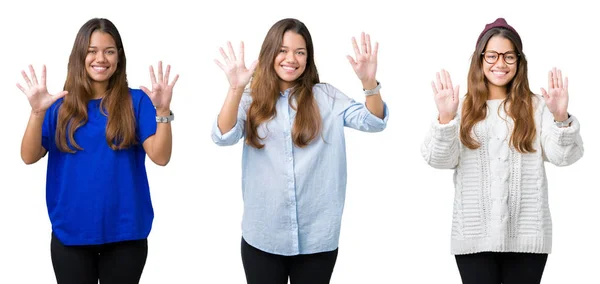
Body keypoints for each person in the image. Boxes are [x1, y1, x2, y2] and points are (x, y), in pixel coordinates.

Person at [212, 18, 388, 284]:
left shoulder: (326, 97)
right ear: (270, 53)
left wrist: (369, 83)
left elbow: (373, 122)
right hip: (263, 237)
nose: (290, 58)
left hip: (317, 239)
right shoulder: (250, 100)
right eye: (282, 50)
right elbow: (223, 136)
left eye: (300, 52)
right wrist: (236, 88)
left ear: (308, 59)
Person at [421, 18, 584, 284]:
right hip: (474, 236)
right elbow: (439, 160)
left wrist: (561, 116)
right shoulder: (459, 108)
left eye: (509, 56)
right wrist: (444, 119)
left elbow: (564, 156)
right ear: (480, 59)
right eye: (492, 55)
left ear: (519, 61)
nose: (500, 63)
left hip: (527, 236)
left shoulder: (537, 106)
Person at [17, 18, 178, 284]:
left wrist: (162, 112)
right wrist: (37, 112)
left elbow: (161, 157)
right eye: (91, 50)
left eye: (109, 51)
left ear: (118, 57)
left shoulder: (136, 101)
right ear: (79, 55)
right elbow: (28, 156)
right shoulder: (57, 106)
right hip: (71, 232)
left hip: (126, 233)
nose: (100, 58)